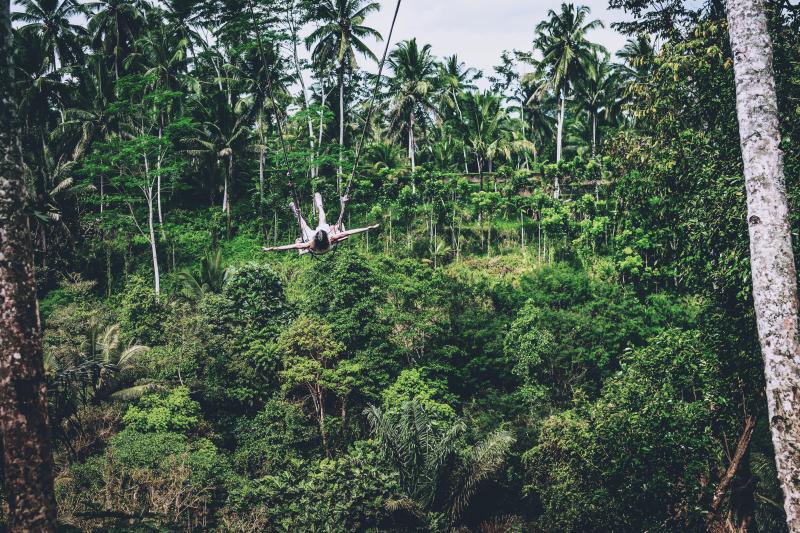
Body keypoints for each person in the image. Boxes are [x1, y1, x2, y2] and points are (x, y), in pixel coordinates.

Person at [263, 193, 378, 255]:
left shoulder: (310, 243)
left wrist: (271, 248)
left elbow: (289, 247)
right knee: (316, 222)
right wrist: (368, 228)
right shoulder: (328, 238)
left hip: (320, 246)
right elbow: (349, 232)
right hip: (323, 245)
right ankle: (312, 207)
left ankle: (302, 210)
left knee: (308, 225)